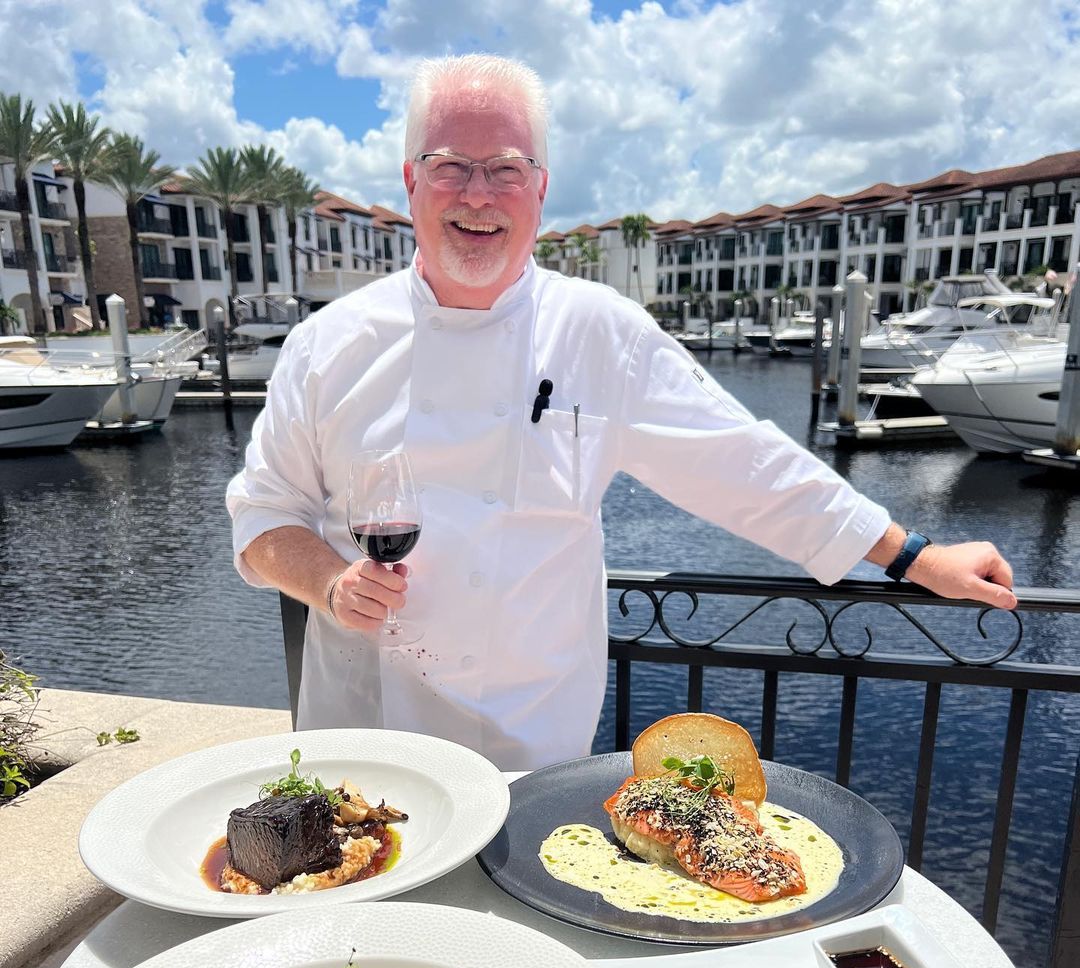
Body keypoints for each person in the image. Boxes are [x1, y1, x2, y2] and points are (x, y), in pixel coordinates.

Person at [227, 54, 1015, 771]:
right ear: (410, 180)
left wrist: (913, 556)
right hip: (364, 743)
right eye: (450, 167)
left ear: (540, 189)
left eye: (505, 169)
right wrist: (330, 584)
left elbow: (743, 464)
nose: (478, 194)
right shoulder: (326, 345)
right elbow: (264, 517)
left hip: (528, 752)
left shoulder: (600, 332)